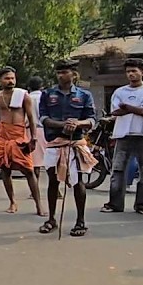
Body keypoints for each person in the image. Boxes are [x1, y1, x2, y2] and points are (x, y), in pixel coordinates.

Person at [38, 59, 97, 237]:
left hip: (75, 144)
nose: (61, 75)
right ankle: (51, 219)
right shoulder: (47, 94)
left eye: (65, 72)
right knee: (52, 181)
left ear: (73, 74)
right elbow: (43, 119)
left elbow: (91, 120)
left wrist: (77, 124)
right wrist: (62, 124)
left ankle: (81, 221)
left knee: (78, 182)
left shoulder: (84, 95)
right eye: (59, 72)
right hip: (54, 143)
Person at [0, 67, 44, 215]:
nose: (10, 81)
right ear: (0, 81)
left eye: (12, 78)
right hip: (3, 137)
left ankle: (39, 206)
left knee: (29, 171)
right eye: (7, 78)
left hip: (19, 137)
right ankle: (12, 202)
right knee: (5, 171)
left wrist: (34, 138)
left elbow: (31, 118)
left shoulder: (23, 96)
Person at [104, 58, 143, 215]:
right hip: (123, 133)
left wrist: (127, 107)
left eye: (134, 71)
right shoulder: (120, 91)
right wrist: (136, 109)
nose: (131, 74)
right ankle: (115, 204)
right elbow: (116, 111)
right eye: (128, 71)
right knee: (118, 169)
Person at [27, 76, 47, 194]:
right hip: (45, 130)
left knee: (34, 163)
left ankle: (35, 189)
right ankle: (56, 188)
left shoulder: (27, 98)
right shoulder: (45, 97)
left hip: (30, 131)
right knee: (50, 161)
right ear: (42, 86)